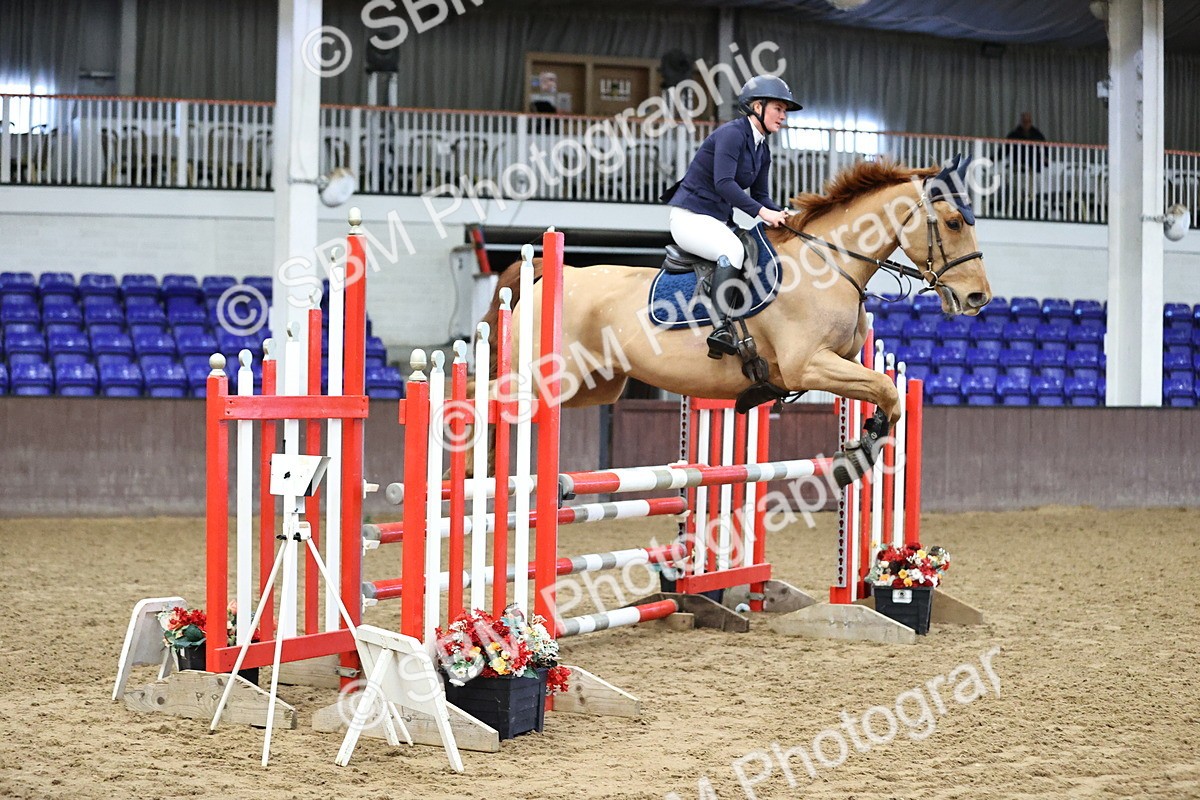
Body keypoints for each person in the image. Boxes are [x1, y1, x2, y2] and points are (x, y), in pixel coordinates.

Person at [661, 75, 802, 359]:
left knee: (755, 248)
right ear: (757, 107)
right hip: (690, 217)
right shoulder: (732, 134)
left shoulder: (762, 148)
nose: (783, 116)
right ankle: (720, 328)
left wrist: (783, 214)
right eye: (778, 108)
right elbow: (724, 183)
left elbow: (761, 196)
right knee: (733, 249)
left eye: (785, 110)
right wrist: (762, 213)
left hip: (715, 220)